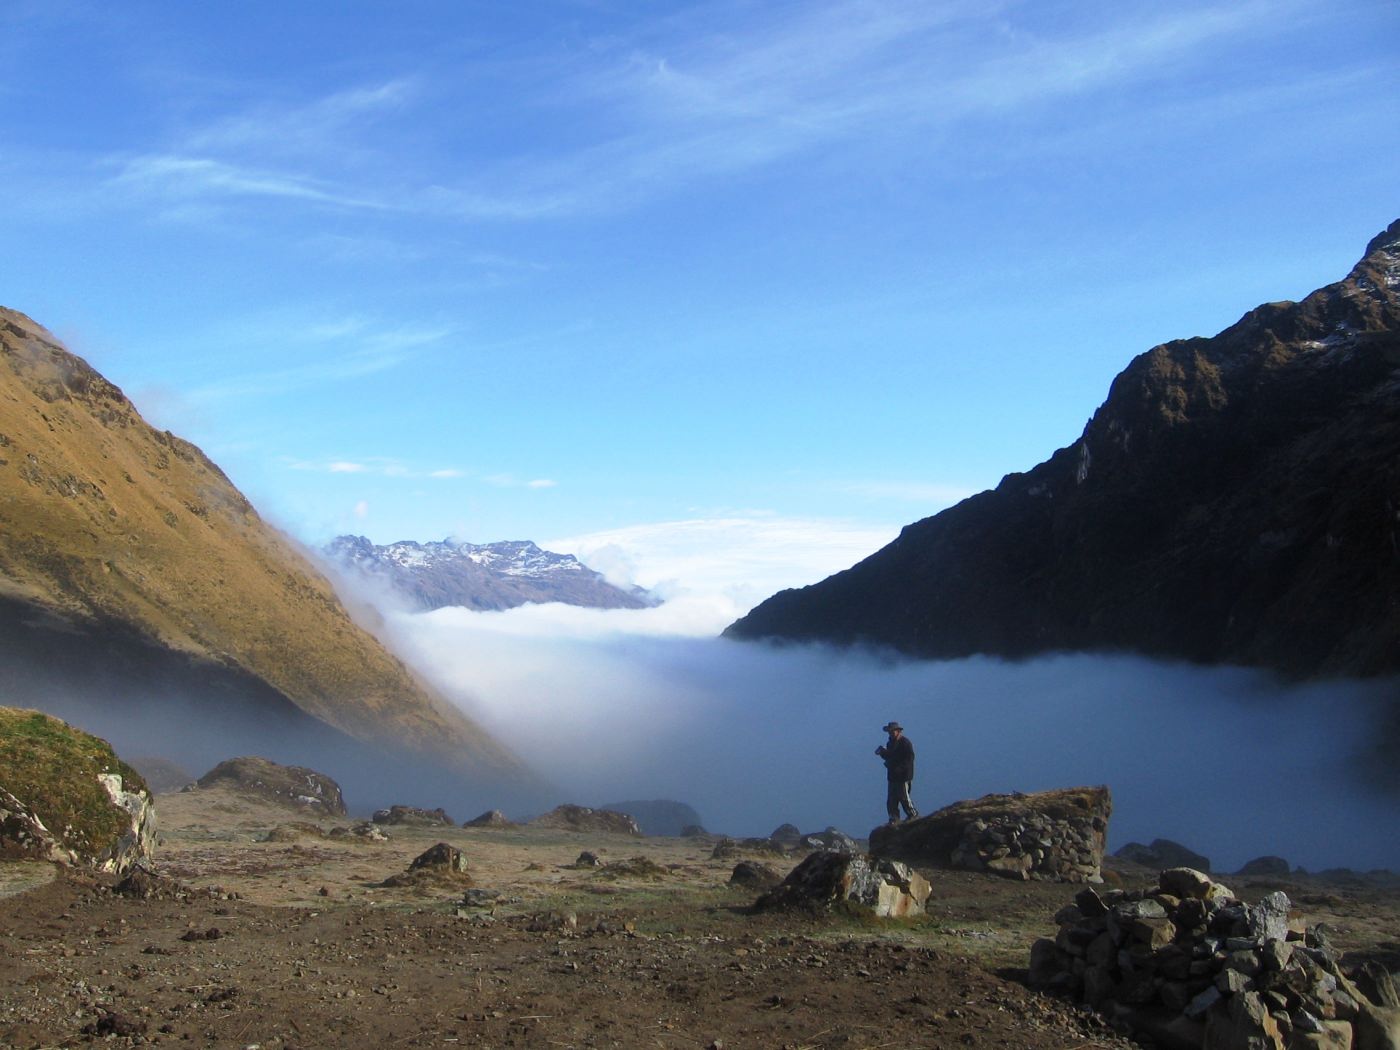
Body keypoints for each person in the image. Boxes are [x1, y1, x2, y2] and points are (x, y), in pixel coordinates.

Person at [875, 721, 918, 824]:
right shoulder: (890, 743)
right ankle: (894, 819)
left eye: (892, 731)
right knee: (891, 800)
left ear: (898, 731)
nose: (890, 733)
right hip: (893, 777)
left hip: (903, 777)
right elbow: (889, 756)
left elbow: (909, 758)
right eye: (889, 732)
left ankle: (913, 815)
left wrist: (900, 768)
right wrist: (882, 753)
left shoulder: (905, 743)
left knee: (904, 798)